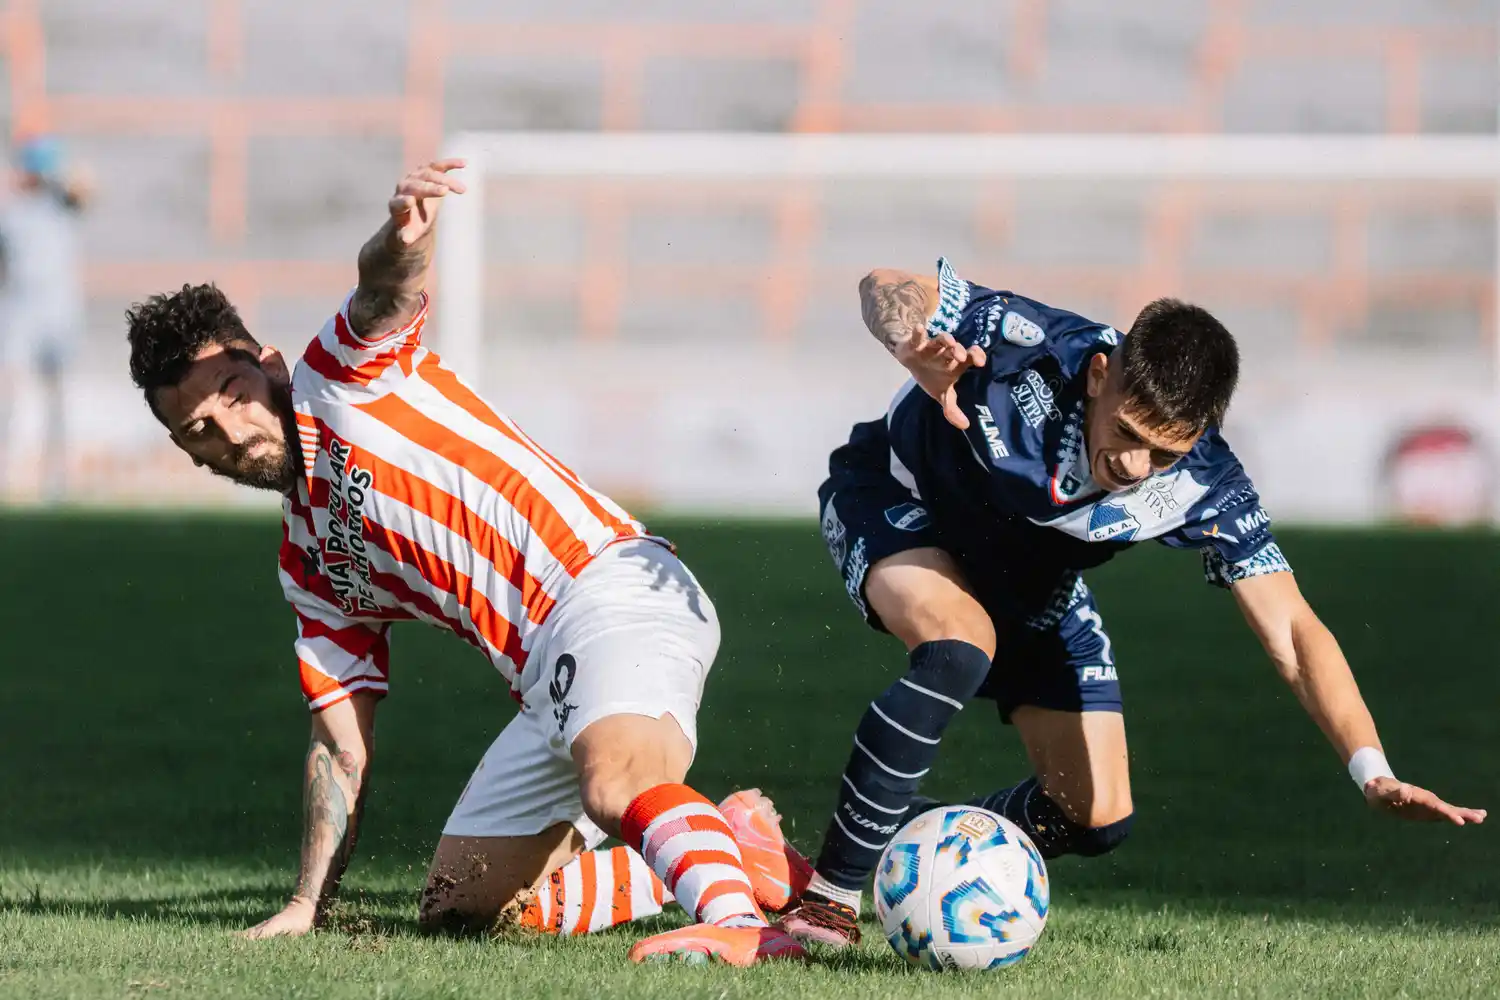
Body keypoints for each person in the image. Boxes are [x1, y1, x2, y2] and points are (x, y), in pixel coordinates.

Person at [123, 159, 805, 966]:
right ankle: (731, 847)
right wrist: (307, 904)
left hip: (608, 590)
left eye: (233, 394)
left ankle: (741, 928)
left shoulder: (339, 376)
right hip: (546, 679)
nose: (231, 433)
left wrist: (402, 239)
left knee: (616, 782)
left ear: (267, 365)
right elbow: (339, 746)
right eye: (199, 430)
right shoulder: (308, 567)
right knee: (459, 907)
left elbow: (384, 289)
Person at [773, 258, 1487, 948]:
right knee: (959, 647)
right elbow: (884, 284)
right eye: (1128, 434)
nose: (1135, 467)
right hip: (899, 500)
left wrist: (1372, 769)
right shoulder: (1027, 341)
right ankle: (828, 899)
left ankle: (880, 839)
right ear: (1099, 375)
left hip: (1030, 584)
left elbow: (1294, 632)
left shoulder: (1207, 483)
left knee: (1094, 816)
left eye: (1164, 453)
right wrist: (909, 343)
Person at [0, 135, 89, 500]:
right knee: (9, 395)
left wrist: (55, 174)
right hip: (21, 312)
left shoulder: (62, 204)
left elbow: (85, 187)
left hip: (59, 314)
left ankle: (57, 481)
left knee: (58, 398)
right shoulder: (11, 212)